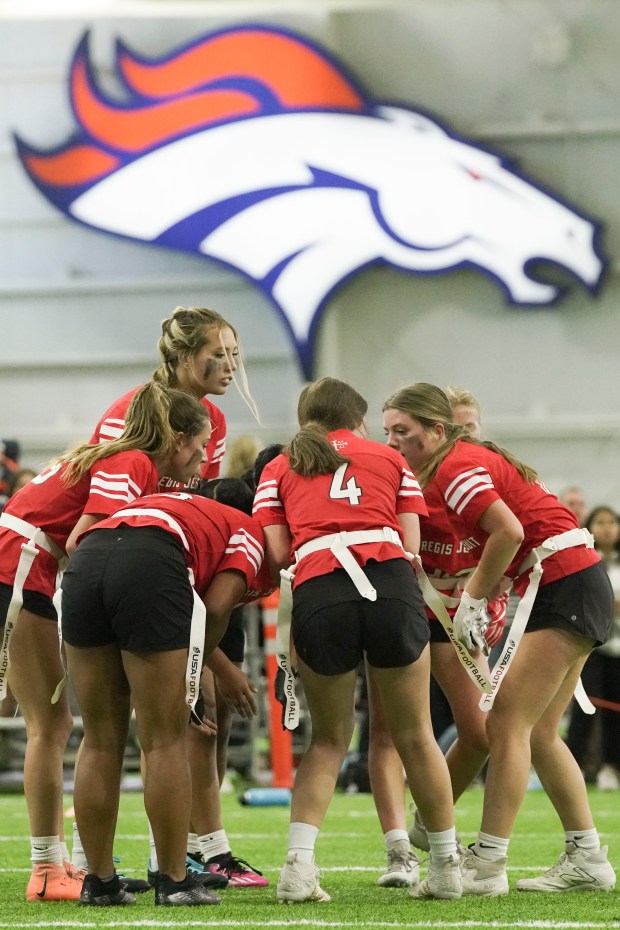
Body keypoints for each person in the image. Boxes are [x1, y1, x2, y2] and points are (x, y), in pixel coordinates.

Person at [382, 382, 615, 895]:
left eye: (405, 431)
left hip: (562, 581)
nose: (394, 442)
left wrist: (471, 600)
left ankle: (487, 862)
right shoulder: (453, 464)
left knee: (507, 721)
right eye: (388, 432)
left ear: (438, 431)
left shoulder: (454, 467)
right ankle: (588, 856)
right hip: (569, 579)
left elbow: (508, 532)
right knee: (536, 731)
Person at [253, 377, 462, 903]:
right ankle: (445, 866)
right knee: (415, 736)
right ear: (359, 419)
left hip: (321, 588)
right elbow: (411, 542)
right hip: (389, 583)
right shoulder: (389, 459)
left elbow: (279, 553)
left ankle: (298, 870)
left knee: (327, 739)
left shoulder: (279, 465)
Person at [0, 383, 211, 902]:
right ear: (177, 438)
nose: (203, 461)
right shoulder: (132, 461)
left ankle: (58, 865)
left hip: (19, 560)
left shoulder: (102, 453)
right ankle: (48, 867)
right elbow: (84, 539)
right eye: (202, 447)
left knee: (55, 723)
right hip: (21, 565)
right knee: (50, 724)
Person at [86, 306, 266, 888]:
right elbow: (107, 520)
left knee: (197, 716)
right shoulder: (135, 417)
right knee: (153, 728)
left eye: (237, 355)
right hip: (120, 564)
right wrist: (208, 657)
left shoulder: (207, 417)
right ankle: (168, 863)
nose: (232, 367)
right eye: (221, 354)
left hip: (168, 567)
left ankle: (195, 847)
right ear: (184, 357)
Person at [60, 488, 266, 907]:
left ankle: (99, 882)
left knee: (99, 737)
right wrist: (199, 677)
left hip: (86, 560)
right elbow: (217, 604)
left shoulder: (181, 506)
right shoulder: (250, 530)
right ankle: (174, 879)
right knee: (164, 738)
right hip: (149, 562)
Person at [368, 385, 505, 887]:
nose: (465, 439)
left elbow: (505, 541)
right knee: (388, 732)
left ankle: (430, 815)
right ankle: (398, 850)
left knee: (482, 729)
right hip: (404, 603)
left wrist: (486, 599)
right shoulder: (393, 470)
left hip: (454, 614)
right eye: (392, 433)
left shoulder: (480, 472)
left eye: (472, 428)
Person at [565, 505, 620, 790]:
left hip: (617, 651)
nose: (608, 527)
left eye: (612, 522)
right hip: (588, 648)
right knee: (585, 709)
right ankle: (570, 765)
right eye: (600, 522)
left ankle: (610, 768)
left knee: (615, 712)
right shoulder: (584, 559)